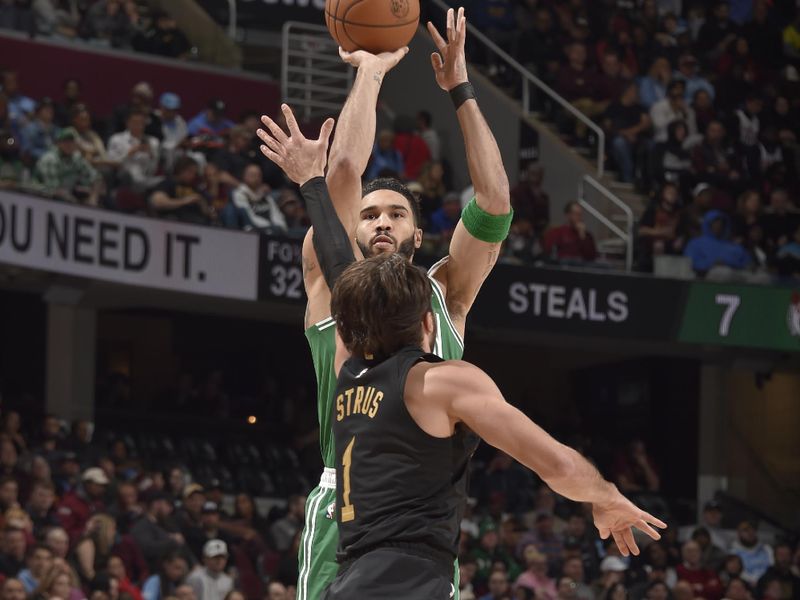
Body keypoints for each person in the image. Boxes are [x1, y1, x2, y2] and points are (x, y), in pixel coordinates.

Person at [257, 8, 514, 599]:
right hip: (345, 508)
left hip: (426, 518)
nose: (379, 222)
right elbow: (343, 172)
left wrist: (461, 91)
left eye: (395, 214)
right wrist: (370, 71)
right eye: (369, 214)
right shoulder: (330, 279)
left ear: (418, 238)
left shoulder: (443, 292)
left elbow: (496, 204)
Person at [320, 252, 666, 599]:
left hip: (351, 578)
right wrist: (606, 497)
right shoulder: (440, 383)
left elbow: (335, 266)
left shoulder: (346, 380)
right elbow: (557, 465)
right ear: (428, 322)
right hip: (405, 580)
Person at [34, 128, 102, 205]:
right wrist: (74, 202)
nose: (69, 145)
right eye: (66, 141)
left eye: (72, 142)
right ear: (58, 143)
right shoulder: (50, 159)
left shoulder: (77, 158)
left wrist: (93, 198)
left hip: (65, 200)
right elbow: (54, 188)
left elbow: (96, 178)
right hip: (40, 199)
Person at [684, 210, 751, 277]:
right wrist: (712, 263)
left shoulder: (733, 246)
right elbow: (689, 264)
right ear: (708, 224)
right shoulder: (695, 244)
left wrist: (729, 263)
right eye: (715, 223)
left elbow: (748, 263)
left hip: (739, 277)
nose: (718, 225)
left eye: (720, 223)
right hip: (707, 278)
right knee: (723, 272)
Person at [107, 110, 161, 191]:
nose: (139, 126)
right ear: (127, 123)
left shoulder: (153, 142)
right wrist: (129, 153)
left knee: (165, 182)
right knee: (128, 176)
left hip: (146, 178)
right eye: (135, 122)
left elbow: (153, 170)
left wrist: (151, 154)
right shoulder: (116, 139)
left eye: (141, 123)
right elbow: (112, 163)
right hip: (125, 177)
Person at [149, 156, 211, 225]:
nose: (193, 175)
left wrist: (202, 204)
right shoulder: (168, 183)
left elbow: (209, 211)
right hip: (174, 222)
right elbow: (157, 202)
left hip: (197, 224)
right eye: (190, 171)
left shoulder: (195, 187)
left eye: (194, 173)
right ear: (181, 169)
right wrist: (185, 201)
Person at [228, 164, 287, 233]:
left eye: (258, 175)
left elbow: (276, 214)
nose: (256, 178)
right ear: (244, 176)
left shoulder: (266, 196)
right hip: (255, 231)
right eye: (252, 175)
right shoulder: (239, 194)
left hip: (273, 230)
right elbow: (249, 217)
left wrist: (281, 227)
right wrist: (270, 227)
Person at [732, 522, 774, 586]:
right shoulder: (734, 552)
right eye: (746, 530)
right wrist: (751, 581)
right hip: (745, 585)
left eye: (752, 529)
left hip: (767, 583)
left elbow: (772, 566)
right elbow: (736, 571)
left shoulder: (767, 549)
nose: (750, 533)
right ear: (739, 534)